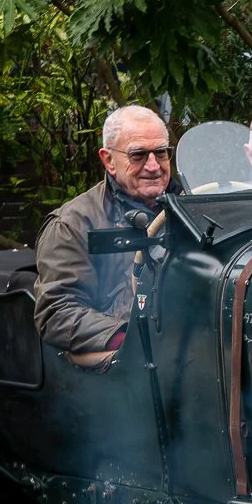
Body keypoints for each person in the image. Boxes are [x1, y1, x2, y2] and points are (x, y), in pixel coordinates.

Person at [34, 105, 171, 366]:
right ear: (109, 160)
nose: (153, 166)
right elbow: (56, 312)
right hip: (124, 374)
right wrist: (129, 339)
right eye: (138, 155)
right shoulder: (73, 224)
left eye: (161, 153)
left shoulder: (192, 209)